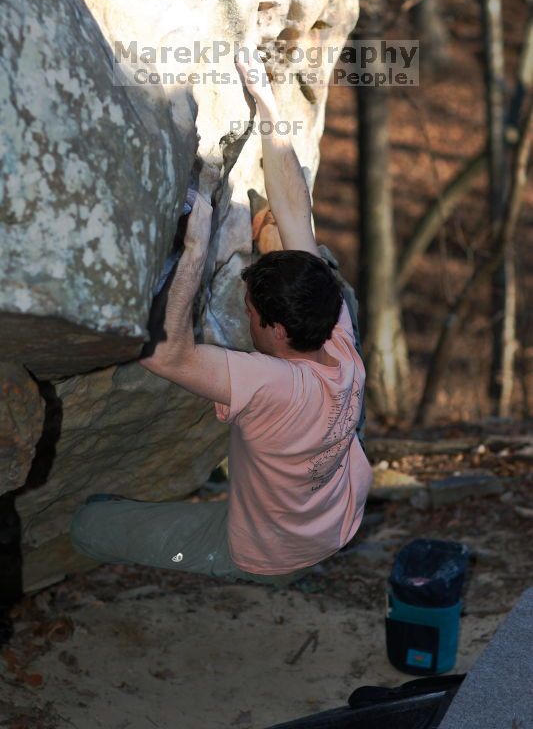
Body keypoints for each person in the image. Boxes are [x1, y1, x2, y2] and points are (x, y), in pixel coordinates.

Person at [69, 48, 373, 588]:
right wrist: (267, 105)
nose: (246, 315)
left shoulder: (272, 385)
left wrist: (195, 248)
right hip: (337, 511)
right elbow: (294, 210)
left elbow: (167, 352)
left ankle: (241, 559)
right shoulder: (334, 327)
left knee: (89, 526)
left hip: (263, 551)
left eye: (251, 312)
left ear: (277, 331)